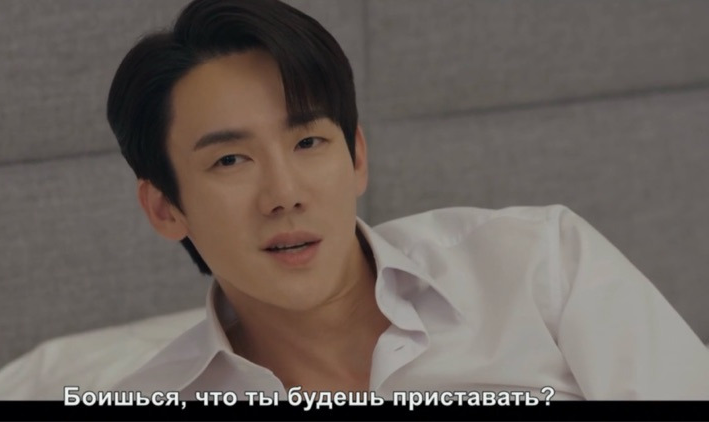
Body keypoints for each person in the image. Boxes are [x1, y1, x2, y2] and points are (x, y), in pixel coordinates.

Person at [105, 0, 709, 401]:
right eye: (230, 160)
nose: (284, 195)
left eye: (309, 142)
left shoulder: (538, 265)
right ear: (164, 208)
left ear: (357, 157)